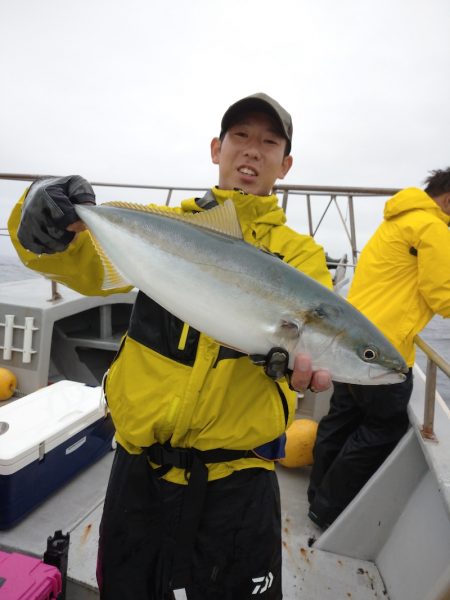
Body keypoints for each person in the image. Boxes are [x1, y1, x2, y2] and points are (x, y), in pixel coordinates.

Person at [8, 93, 333, 599]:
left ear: (285, 164)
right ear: (215, 149)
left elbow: (316, 337)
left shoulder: (301, 258)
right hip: (138, 466)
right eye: (240, 137)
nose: (253, 151)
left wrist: (299, 363)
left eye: (269, 142)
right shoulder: (166, 225)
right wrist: (43, 227)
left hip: (237, 479)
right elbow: (87, 267)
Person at [308, 167, 450, 530]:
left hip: (350, 342)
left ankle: (316, 500)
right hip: (383, 352)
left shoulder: (397, 220)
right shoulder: (432, 228)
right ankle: (330, 508)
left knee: (340, 419)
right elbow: (443, 296)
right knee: (382, 429)